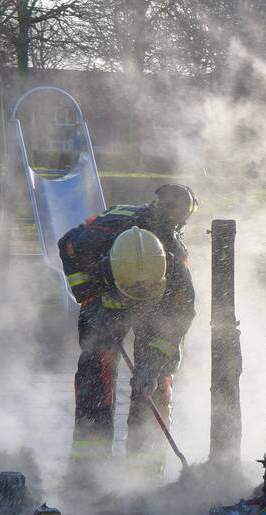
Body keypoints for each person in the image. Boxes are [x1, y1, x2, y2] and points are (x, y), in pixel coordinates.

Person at [58, 184, 198, 478]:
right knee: (95, 370)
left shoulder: (174, 262)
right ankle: (88, 468)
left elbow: (179, 319)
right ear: (109, 266)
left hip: (157, 310)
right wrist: (86, 291)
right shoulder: (93, 241)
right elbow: (66, 246)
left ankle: (145, 467)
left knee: (154, 382)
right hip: (106, 303)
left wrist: (153, 366)